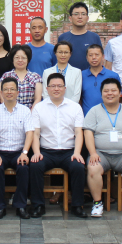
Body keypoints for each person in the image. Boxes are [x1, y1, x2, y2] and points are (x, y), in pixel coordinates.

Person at [29, 73, 88, 218]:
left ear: (65, 88)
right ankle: (38, 205)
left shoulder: (75, 107)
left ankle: (77, 206)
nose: (56, 89)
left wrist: (77, 152)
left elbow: (78, 133)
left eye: (60, 86)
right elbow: (35, 134)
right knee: (35, 166)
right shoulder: (39, 108)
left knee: (78, 167)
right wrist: (36, 152)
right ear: (47, 89)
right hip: (46, 152)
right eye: (53, 86)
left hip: (69, 152)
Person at [84, 79, 122, 218]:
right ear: (101, 94)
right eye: (106, 91)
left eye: (113, 90)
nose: (109, 93)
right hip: (101, 154)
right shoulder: (94, 111)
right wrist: (92, 153)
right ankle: (97, 203)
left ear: (120, 93)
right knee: (93, 168)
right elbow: (88, 133)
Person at [0, 77, 34, 219]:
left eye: (12, 89)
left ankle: (20, 206)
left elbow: (29, 133)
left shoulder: (25, 111)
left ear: (18, 92)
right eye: (6, 89)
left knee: (23, 168)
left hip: (18, 152)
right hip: (0, 151)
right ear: (1, 92)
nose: (9, 92)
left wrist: (25, 153)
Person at [57, 2, 101, 71]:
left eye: (83, 14)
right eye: (76, 14)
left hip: (89, 76)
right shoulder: (63, 38)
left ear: (87, 18)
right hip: (68, 76)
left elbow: (100, 60)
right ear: (70, 18)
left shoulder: (95, 37)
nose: (80, 17)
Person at [80, 44, 120, 116]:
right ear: (87, 58)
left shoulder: (113, 76)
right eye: (91, 55)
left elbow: (118, 98)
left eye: (97, 55)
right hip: (87, 118)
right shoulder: (80, 75)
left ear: (103, 57)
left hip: (109, 117)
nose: (94, 57)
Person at [2, 44, 43, 109]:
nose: (20, 60)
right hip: (10, 110)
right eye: (17, 57)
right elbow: (2, 98)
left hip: (30, 111)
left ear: (28, 60)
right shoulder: (6, 76)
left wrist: (31, 113)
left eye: (23, 58)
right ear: (12, 59)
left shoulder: (35, 77)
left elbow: (38, 99)